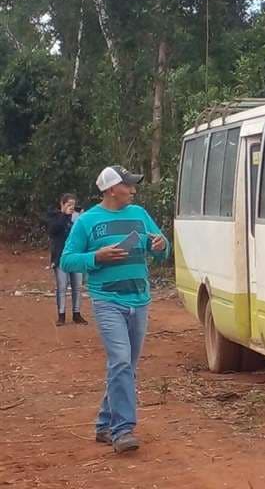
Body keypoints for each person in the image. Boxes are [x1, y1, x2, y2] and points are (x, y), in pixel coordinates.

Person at [60, 165, 170, 454]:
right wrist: (97, 257)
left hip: (140, 300)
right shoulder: (88, 222)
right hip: (107, 300)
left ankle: (104, 424)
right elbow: (68, 260)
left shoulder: (140, 214)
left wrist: (160, 244)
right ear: (111, 190)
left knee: (127, 367)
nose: (133, 189)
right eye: (128, 185)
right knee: (121, 362)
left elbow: (161, 247)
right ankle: (123, 430)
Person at [47, 193, 87, 326]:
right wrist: (65, 216)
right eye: (68, 204)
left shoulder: (77, 218)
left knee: (77, 287)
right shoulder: (55, 217)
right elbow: (53, 230)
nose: (71, 207)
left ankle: (77, 314)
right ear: (62, 204)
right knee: (62, 287)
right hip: (60, 257)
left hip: (76, 256)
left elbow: (83, 233)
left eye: (73, 205)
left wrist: (80, 217)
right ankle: (61, 315)